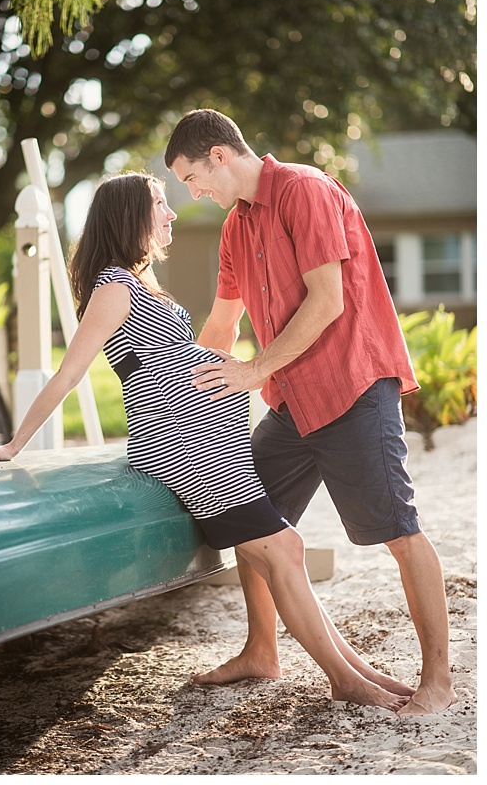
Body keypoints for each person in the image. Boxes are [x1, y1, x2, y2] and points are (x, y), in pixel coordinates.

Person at [0, 173, 413, 711]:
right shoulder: (113, 287)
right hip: (185, 447)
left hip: (216, 442)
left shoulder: (142, 283)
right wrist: (13, 445)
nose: (171, 215)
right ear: (131, 217)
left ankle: (351, 670)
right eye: (159, 205)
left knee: (283, 547)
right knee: (284, 547)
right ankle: (345, 678)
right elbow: (70, 373)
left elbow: (175, 358)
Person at [163, 108, 455, 716]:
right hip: (292, 401)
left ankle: (437, 682)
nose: (193, 193)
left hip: (353, 388)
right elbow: (221, 325)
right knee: (246, 516)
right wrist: (183, 398)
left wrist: (251, 371)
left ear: (219, 154)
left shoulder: (306, 190)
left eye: (192, 178)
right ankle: (261, 651)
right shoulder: (235, 229)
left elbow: (327, 301)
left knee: (398, 531)